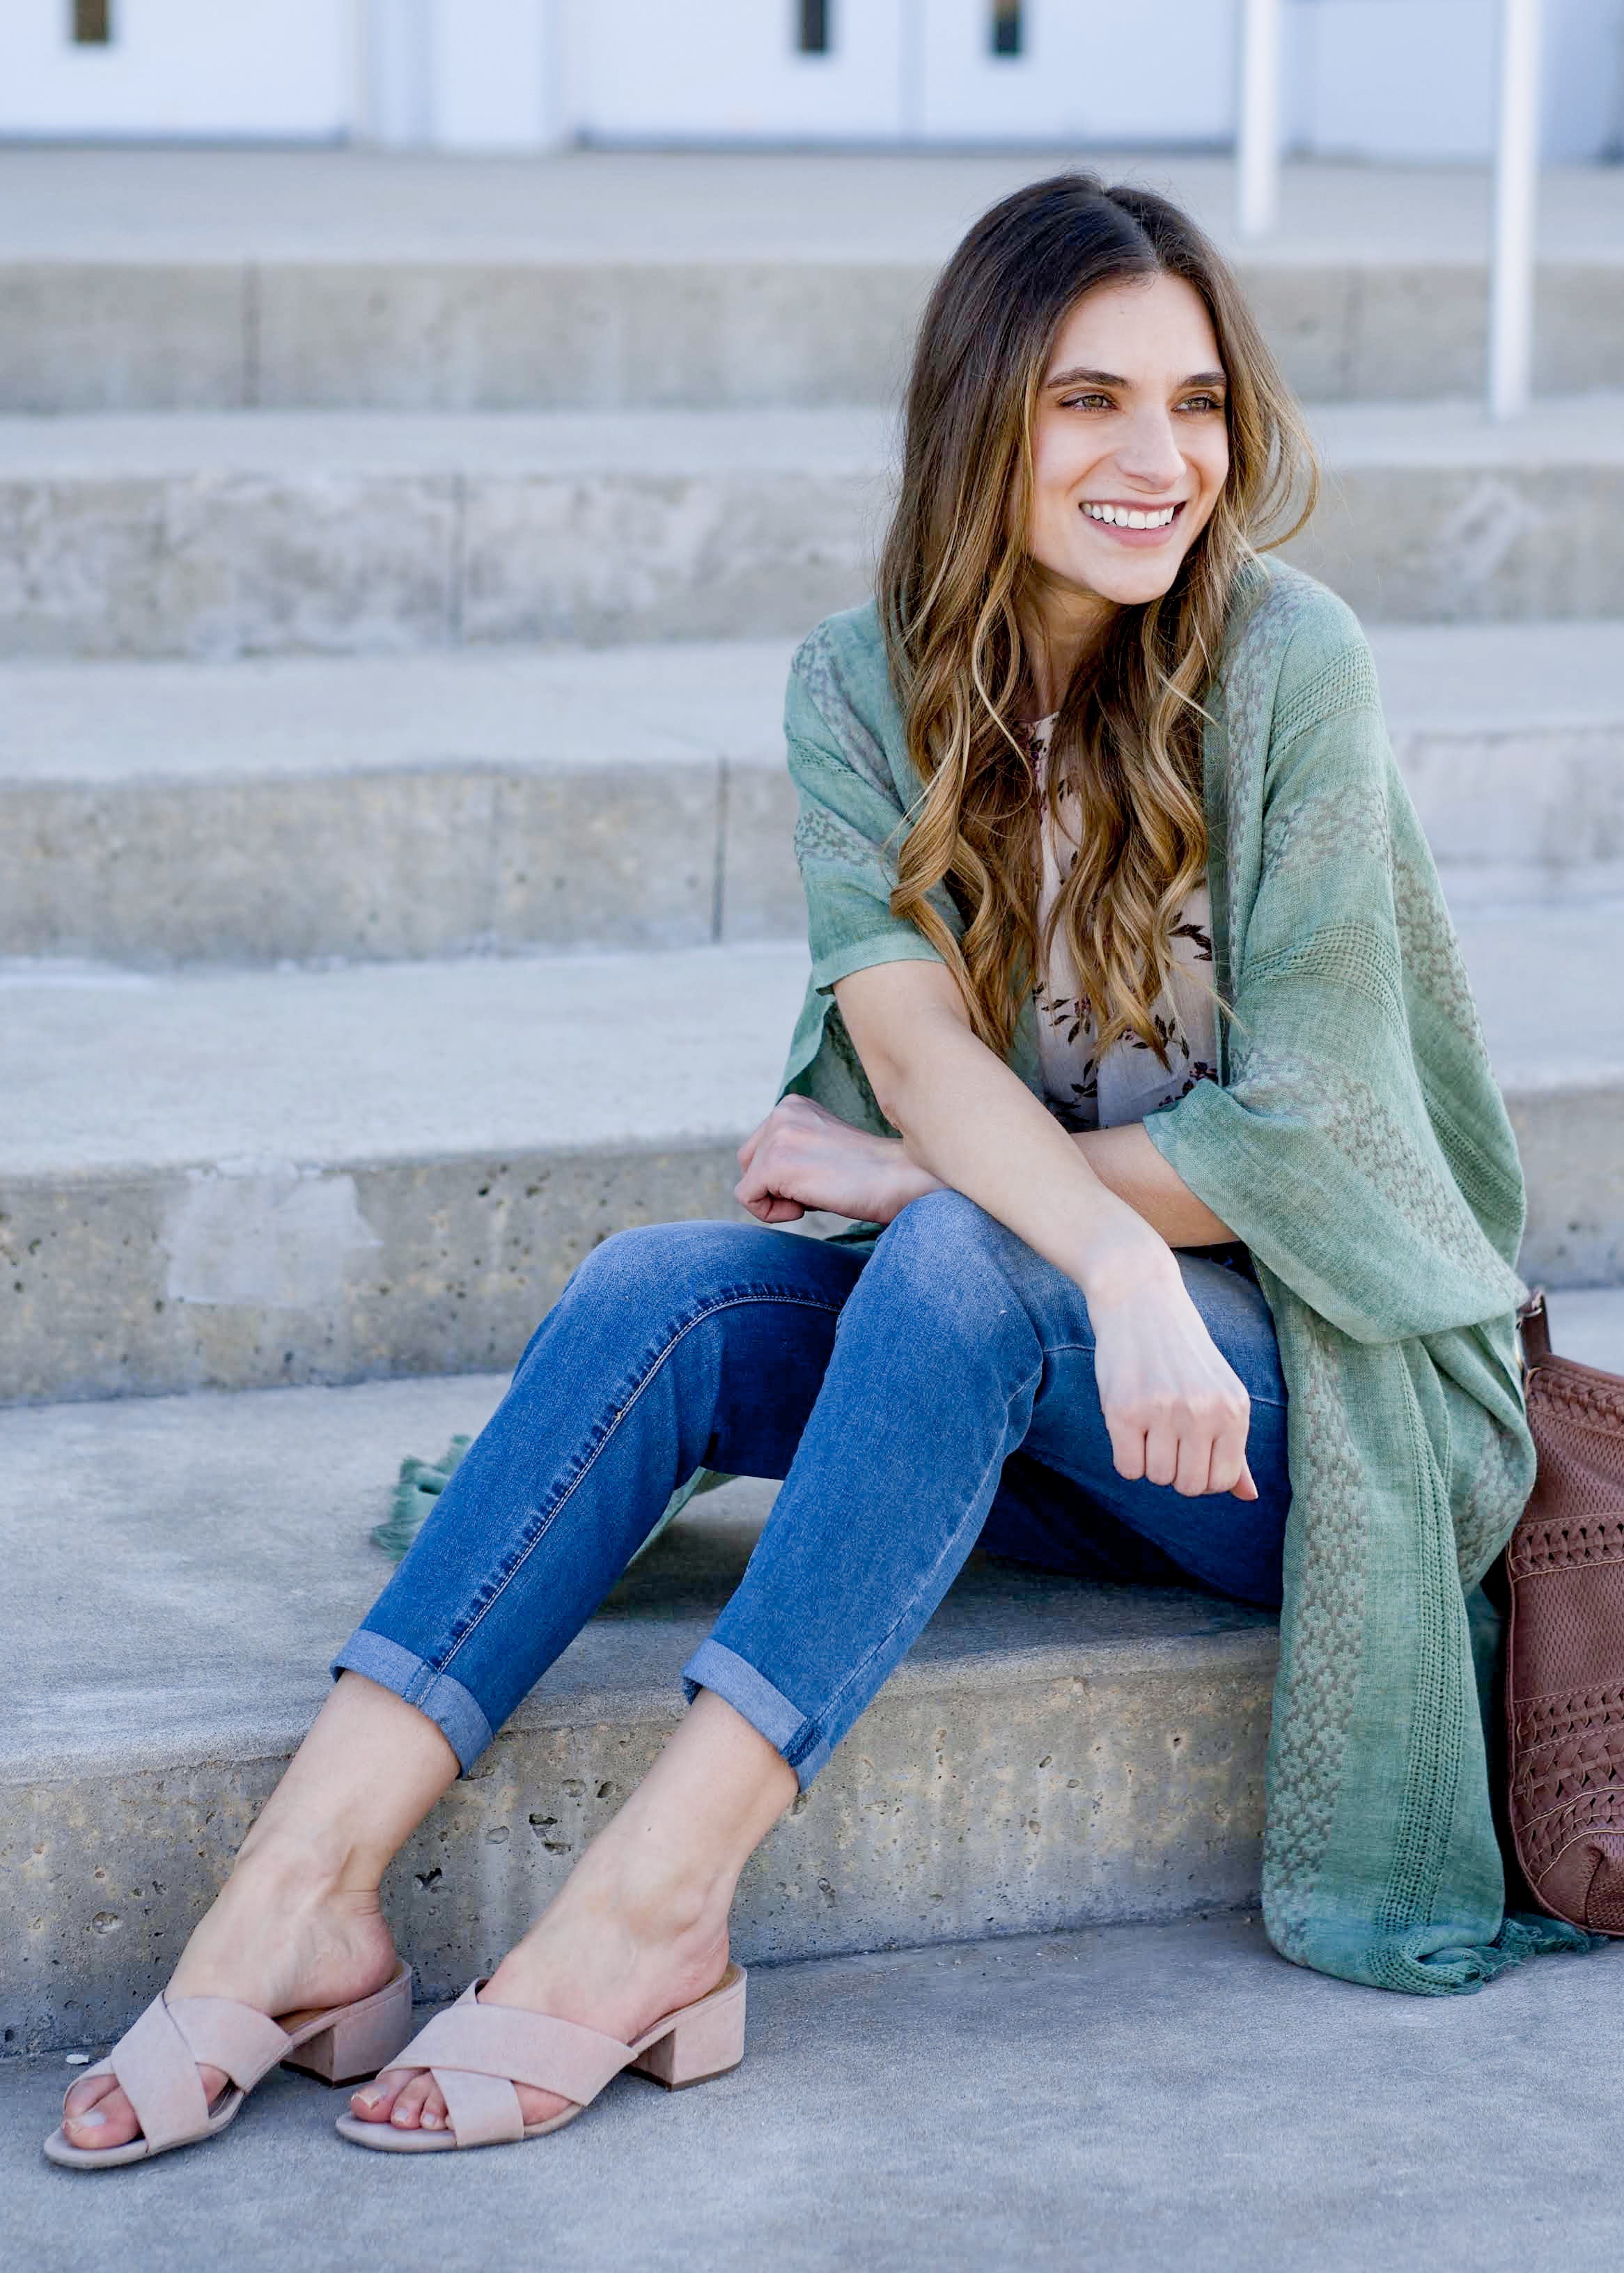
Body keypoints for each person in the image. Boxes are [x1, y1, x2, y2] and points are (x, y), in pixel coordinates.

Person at [49, 171, 1579, 2171]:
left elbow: (1325, 1150)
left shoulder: (1288, 665)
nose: (1159, 460)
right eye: (1084, 402)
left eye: (1196, 403)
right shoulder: (858, 685)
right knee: (656, 1291)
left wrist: (961, 1211)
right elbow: (916, 1049)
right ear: (976, 421)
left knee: (951, 1256)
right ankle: (296, 1902)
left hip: (1319, 1405)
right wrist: (1091, 1254)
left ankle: (652, 1913)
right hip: (1059, 1374)